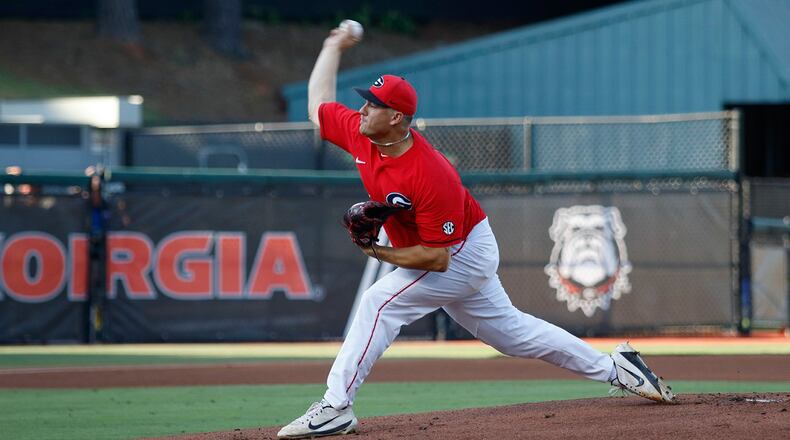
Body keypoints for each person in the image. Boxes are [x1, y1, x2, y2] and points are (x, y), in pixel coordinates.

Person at [276, 25, 675, 440]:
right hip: (448, 248)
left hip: (461, 252)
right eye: (364, 103)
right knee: (513, 335)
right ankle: (617, 368)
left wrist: (379, 254)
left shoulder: (430, 173)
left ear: (395, 117)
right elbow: (318, 105)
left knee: (379, 302)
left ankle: (336, 405)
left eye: (372, 105)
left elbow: (437, 258)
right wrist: (331, 46)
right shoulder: (363, 137)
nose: (361, 111)